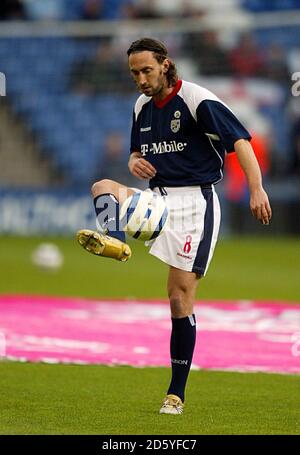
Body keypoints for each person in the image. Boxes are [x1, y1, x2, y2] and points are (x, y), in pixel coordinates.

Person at [76, 37, 272, 414]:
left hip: (195, 204)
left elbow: (242, 141)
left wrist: (256, 188)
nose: (141, 79)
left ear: (166, 65)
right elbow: (137, 152)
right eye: (134, 73)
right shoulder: (141, 106)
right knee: (103, 187)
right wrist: (134, 162)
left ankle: (176, 393)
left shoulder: (197, 99)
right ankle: (116, 242)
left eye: (146, 70)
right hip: (159, 199)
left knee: (178, 297)